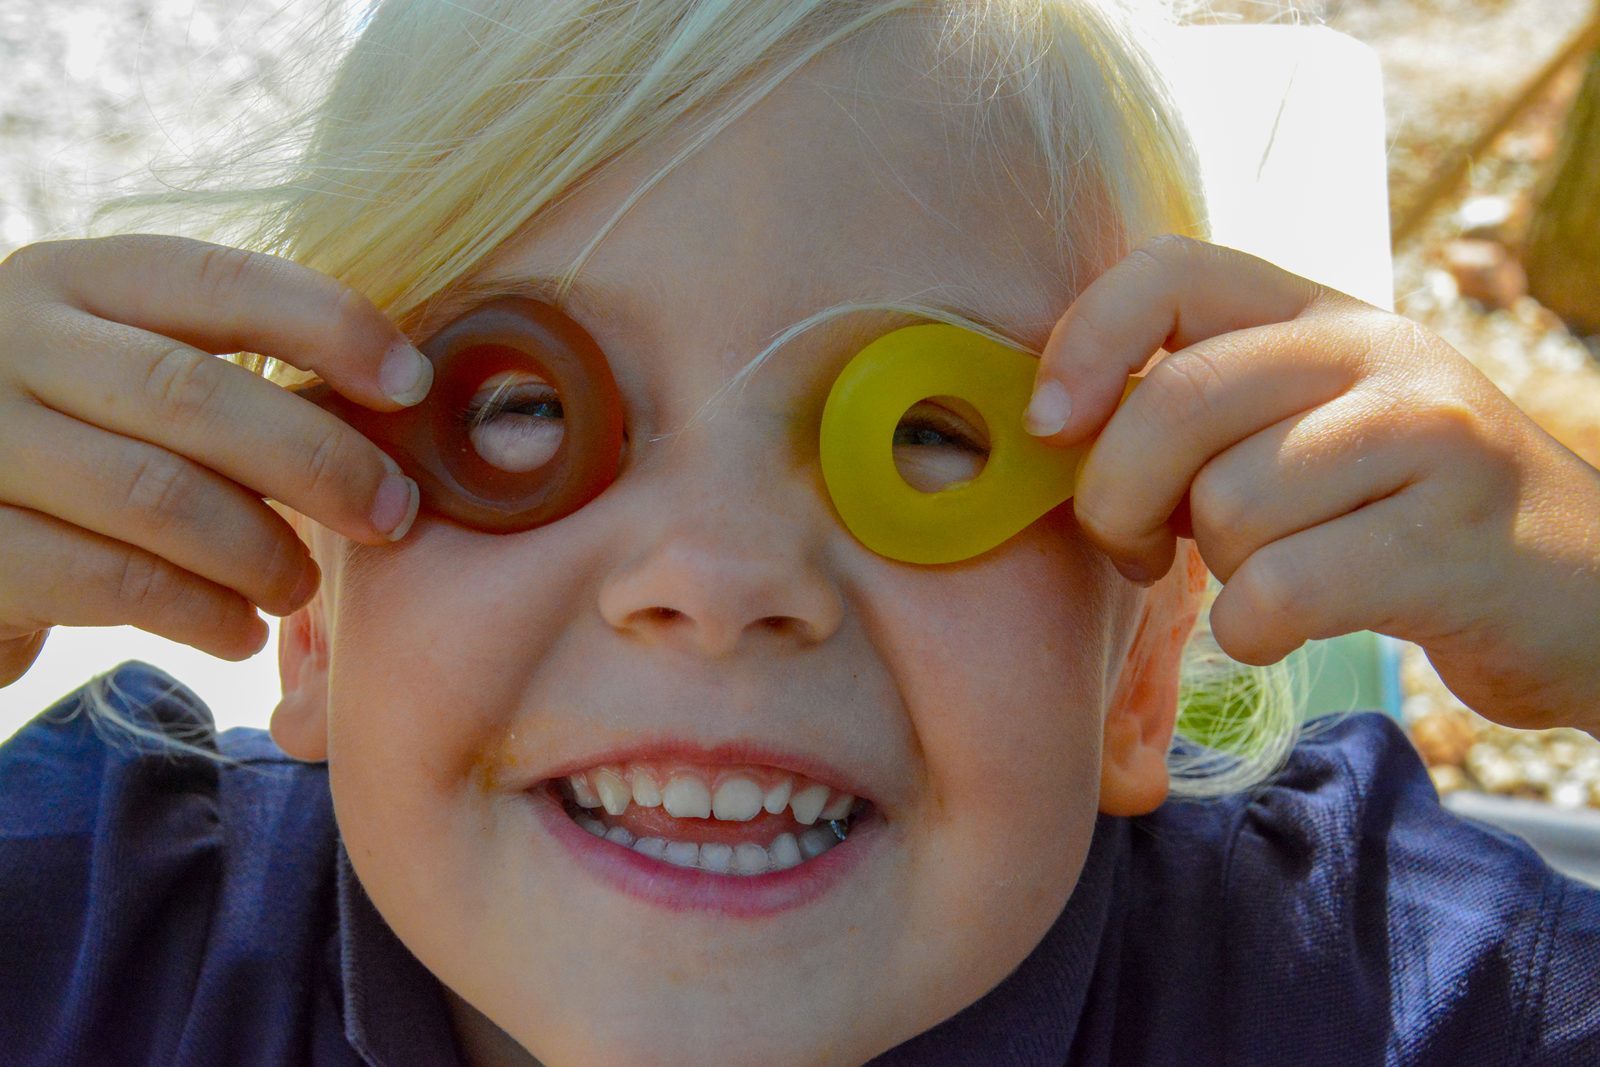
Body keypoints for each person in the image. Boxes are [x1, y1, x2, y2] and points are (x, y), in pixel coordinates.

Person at [2, 1, 1598, 1063]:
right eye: (523, 413)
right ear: (319, 621)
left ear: (1142, 677)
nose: (718, 582)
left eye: (923, 435)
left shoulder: (1356, 989)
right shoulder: (102, 938)